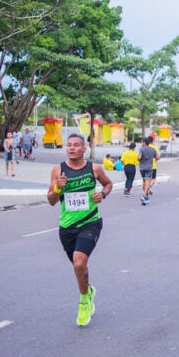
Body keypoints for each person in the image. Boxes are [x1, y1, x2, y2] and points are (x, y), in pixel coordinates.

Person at [47, 133, 113, 327]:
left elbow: (108, 184)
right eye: (69, 145)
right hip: (67, 227)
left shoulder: (94, 168)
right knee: (78, 267)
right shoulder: (58, 170)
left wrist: (102, 194)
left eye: (76, 145)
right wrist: (58, 188)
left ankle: (84, 301)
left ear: (85, 148)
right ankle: (89, 291)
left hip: (90, 222)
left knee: (78, 262)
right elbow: (51, 201)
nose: (72, 148)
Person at [138, 137, 159, 205]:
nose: (141, 143)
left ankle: (146, 197)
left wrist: (139, 159)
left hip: (142, 168)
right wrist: (153, 159)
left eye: (142, 142)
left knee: (144, 181)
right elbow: (158, 157)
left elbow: (139, 157)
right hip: (149, 168)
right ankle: (145, 196)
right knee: (147, 181)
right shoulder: (153, 149)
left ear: (144, 142)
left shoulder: (141, 149)